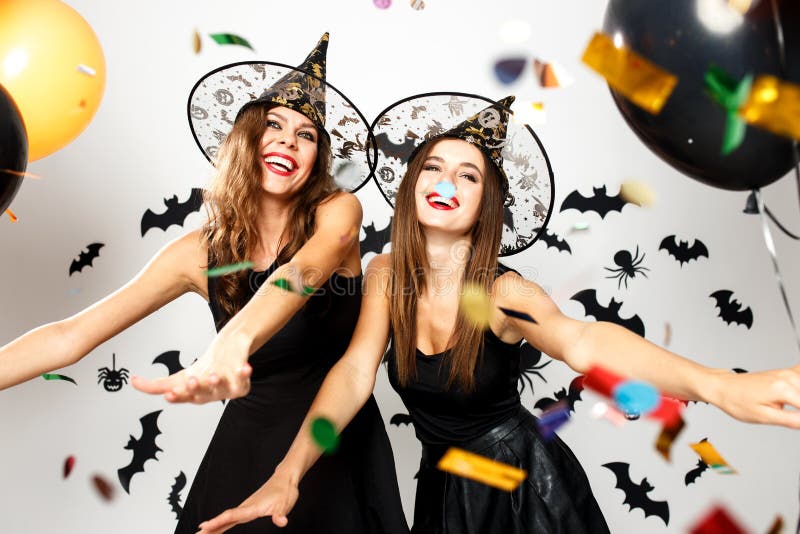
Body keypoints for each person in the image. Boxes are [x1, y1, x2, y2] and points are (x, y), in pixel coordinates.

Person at [187, 93, 800, 534]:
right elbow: (352, 375)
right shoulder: (384, 275)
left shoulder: (507, 296)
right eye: (432, 166)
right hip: (443, 488)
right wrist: (290, 472)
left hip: (522, 492)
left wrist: (719, 387)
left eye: (467, 175)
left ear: (487, 205)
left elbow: (583, 341)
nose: (445, 180)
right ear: (410, 185)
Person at [0, 34, 409, 534]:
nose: (287, 140)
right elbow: (71, 336)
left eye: (306, 135)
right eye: (273, 125)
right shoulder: (198, 253)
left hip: (336, 444)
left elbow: (298, 276)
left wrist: (234, 340)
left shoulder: (337, 213)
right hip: (246, 449)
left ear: (316, 157)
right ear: (246, 139)